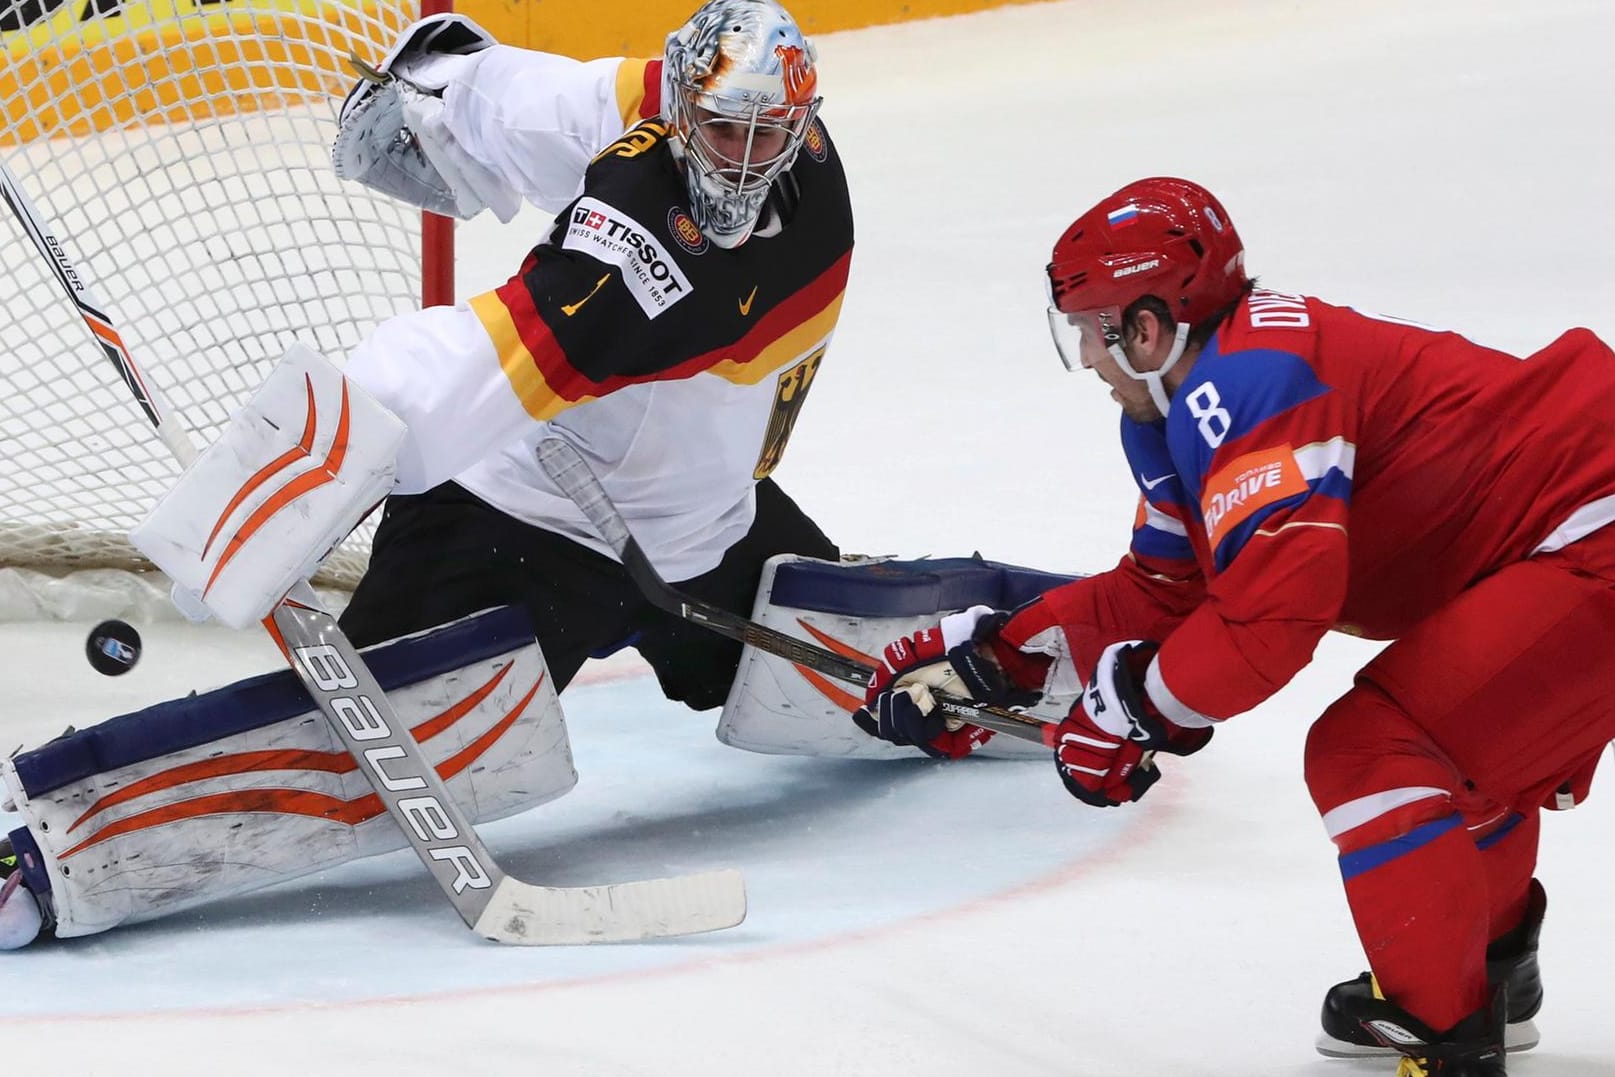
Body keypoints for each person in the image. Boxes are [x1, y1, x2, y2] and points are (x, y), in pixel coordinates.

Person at [0, 0, 851, 951]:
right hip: (522, 525)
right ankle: (43, 841)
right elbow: (455, 361)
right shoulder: (639, 228)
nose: (738, 156)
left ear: (803, 124)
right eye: (718, 127)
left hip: (706, 530)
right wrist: (449, 94)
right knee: (356, 760)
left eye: (763, 131)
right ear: (679, 106)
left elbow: (478, 336)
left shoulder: (742, 224)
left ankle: (992, 655)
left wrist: (457, 83)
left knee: (876, 680)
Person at [853, 176, 1615, 1076]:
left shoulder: (1249, 386)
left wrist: (1129, 708)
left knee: (1372, 751)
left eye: (1091, 331)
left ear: (1144, 327)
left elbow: (1270, 620)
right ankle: (1473, 979)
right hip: (1566, 533)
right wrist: (996, 658)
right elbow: (1163, 590)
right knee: (1460, 740)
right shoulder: (1192, 397)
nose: (1089, 360)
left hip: (1589, 529)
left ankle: (1447, 1042)